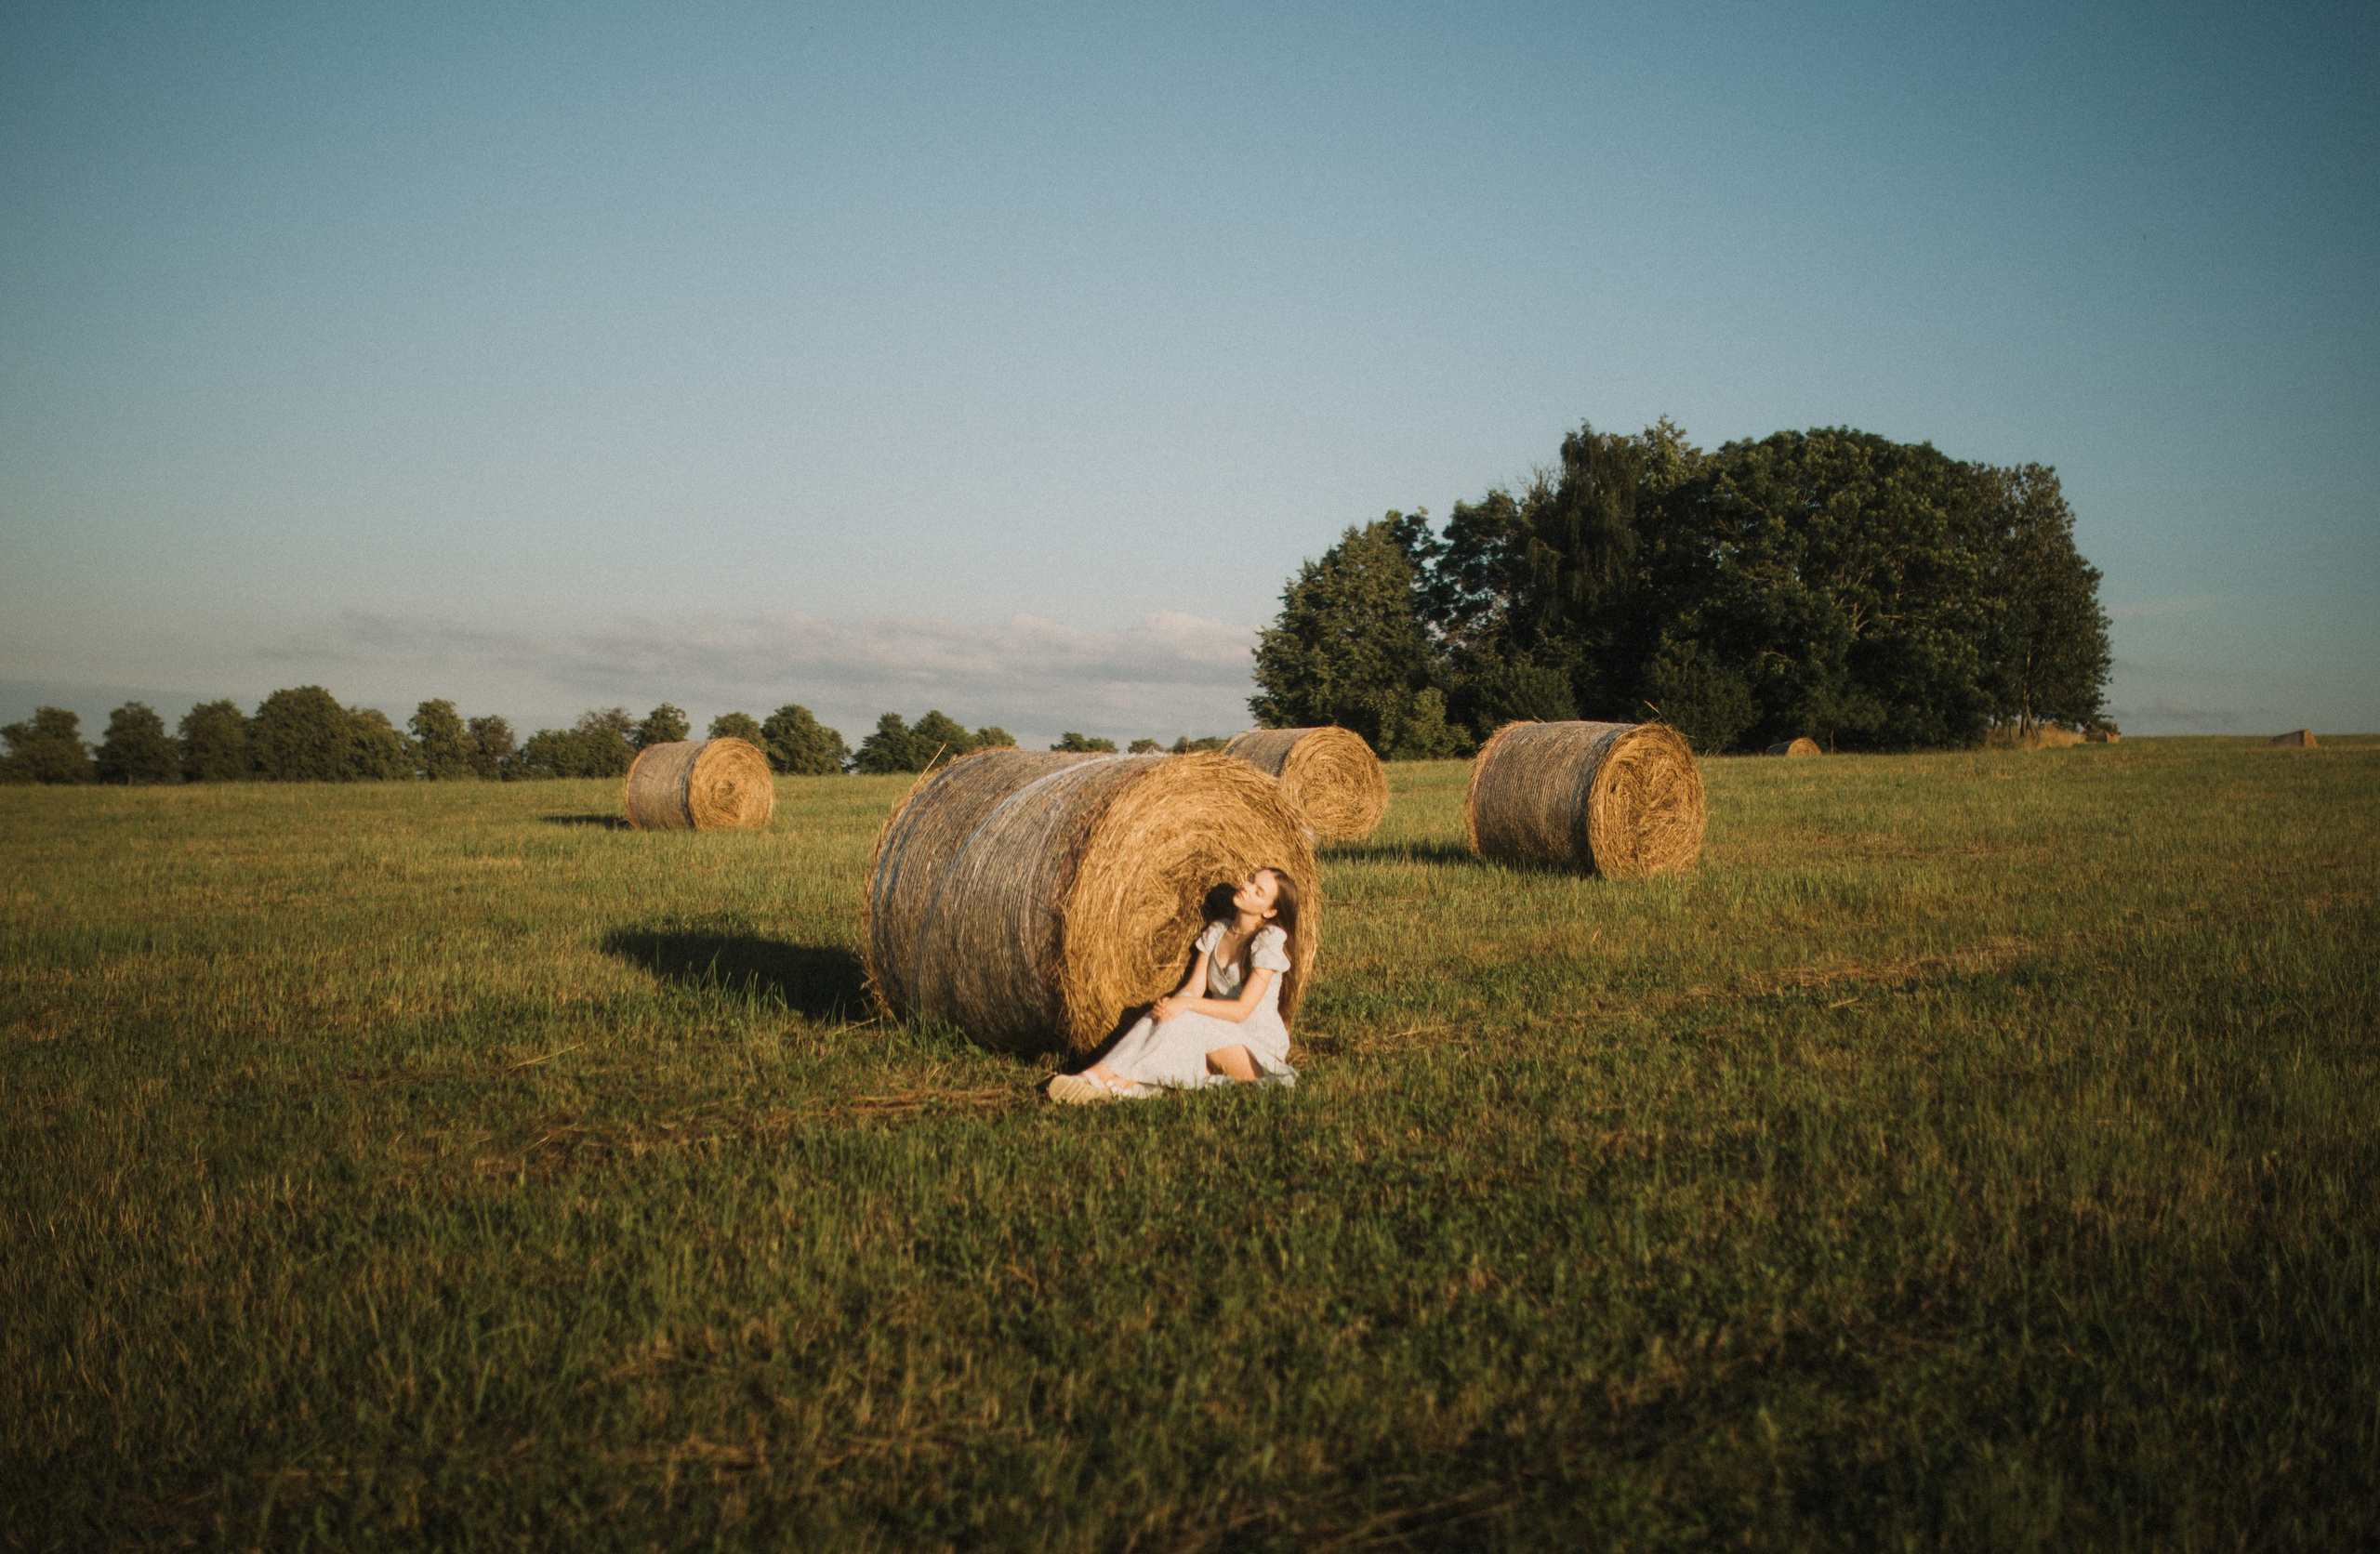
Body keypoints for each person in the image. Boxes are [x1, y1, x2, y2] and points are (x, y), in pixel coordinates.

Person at [1048, 867, 1301, 1102]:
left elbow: (1242, 1011)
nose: (1247, 887)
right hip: (1217, 1031)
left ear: (1269, 912)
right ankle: (1104, 1079)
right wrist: (1172, 1005)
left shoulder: (1269, 940)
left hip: (1254, 1045)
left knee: (1187, 1015)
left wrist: (1186, 1004)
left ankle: (1104, 1079)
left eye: (1259, 892)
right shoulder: (1218, 931)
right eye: (1251, 880)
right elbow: (1194, 987)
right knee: (1162, 1014)